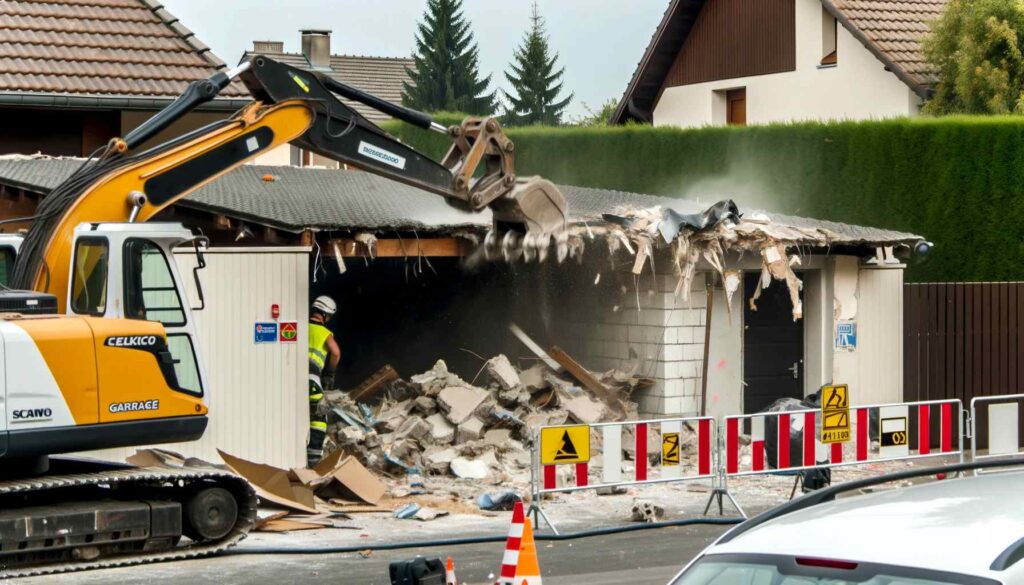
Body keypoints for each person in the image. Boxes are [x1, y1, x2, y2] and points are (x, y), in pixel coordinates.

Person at [307, 295, 341, 467]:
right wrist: (329, 374)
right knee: (319, 415)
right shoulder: (325, 333)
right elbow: (335, 353)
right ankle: (313, 459)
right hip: (312, 378)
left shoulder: (301, 327)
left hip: (293, 377)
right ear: (326, 315)